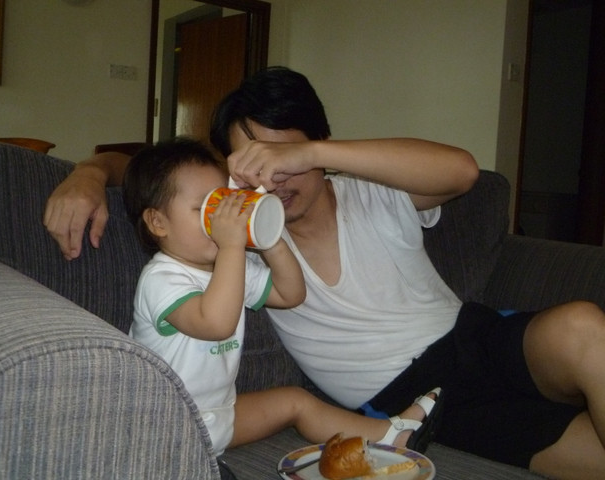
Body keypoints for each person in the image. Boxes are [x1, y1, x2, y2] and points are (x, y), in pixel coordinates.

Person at [44, 68, 605, 479]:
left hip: (475, 336)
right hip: (413, 396)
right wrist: (88, 173)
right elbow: (154, 175)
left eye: (284, 157)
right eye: (255, 162)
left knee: (582, 325)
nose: (274, 178)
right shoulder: (240, 233)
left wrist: (312, 155)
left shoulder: (372, 191)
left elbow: (461, 172)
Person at [120, 136, 443, 462]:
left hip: (217, 417)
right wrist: (232, 246)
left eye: (225, 203)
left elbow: (291, 293)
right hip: (165, 423)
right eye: (206, 209)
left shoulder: (230, 269)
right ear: (158, 222)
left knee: (296, 401)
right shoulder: (160, 279)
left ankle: (391, 435)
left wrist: (269, 238)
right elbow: (216, 323)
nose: (221, 219)